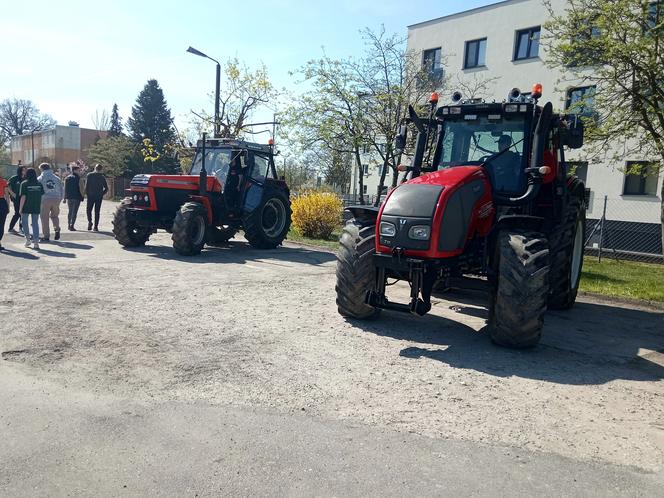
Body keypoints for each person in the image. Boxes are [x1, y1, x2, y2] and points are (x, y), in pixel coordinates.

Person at [19, 167, 44, 249]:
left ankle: (28, 239)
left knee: (24, 223)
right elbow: (42, 195)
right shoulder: (39, 184)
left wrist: (20, 208)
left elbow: (23, 197)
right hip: (36, 206)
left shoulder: (24, 183)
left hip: (26, 206)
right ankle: (36, 242)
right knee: (35, 223)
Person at [37, 162, 63, 242]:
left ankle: (46, 235)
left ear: (41, 169)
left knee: (44, 218)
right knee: (55, 216)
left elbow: (38, 190)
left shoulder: (40, 178)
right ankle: (57, 228)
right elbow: (62, 189)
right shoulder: (57, 178)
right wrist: (60, 198)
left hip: (45, 199)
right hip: (56, 198)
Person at [85, 163, 109, 231]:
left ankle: (90, 222)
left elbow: (86, 186)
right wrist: (102, 194)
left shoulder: (89, 175)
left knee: (88, 210)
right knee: (97, 211)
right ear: (101, 169)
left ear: (95, 168)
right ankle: (96, 226)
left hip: (90, 195)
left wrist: (87, 194)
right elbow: (106, 188)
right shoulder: (102, 177)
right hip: (99, 196)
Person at [64, 164, 84, 231]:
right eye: (78, 170)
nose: (79, 171)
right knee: (74, 212)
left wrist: (64, 198)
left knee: (70, 211)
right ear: (75, 170)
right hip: (77, 197)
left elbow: (65, 188)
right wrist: (82, 196)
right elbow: (81, 188)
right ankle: (72, 225)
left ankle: (68, 224)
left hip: (69, 197)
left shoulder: (67, 178)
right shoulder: (79, 178)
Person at [7, 163, 26, 234]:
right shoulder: (14, 178)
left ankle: (21, 228)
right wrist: (13, 194)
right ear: (20, 171)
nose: (24, 171)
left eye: (25, 170)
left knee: (23, 214)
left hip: (24, 198)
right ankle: (11, 228)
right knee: (17, 213)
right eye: (23, 170)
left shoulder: (26, 178)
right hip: (16, 199)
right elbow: (7, 186)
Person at [0, 174, 10, 251]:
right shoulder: (3, 181)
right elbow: (7, 195)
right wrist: (8, 207)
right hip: (2, 203)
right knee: (1, 224)